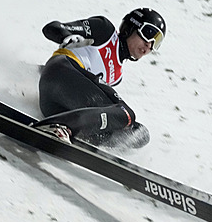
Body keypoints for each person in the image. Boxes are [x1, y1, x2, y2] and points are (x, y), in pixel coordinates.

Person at [33, 8, 166, 148]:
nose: (149, 44)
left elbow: (84, 90)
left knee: (138, 133)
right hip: (60, 71)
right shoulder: (105, 32)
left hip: (57, 107)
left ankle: (76, 137)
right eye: (148, 33)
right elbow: (52, 27)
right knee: (126, 114)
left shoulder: (116, 76)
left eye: (156, 42)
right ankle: (61, 128)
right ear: (131, 27)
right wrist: (66, 36)